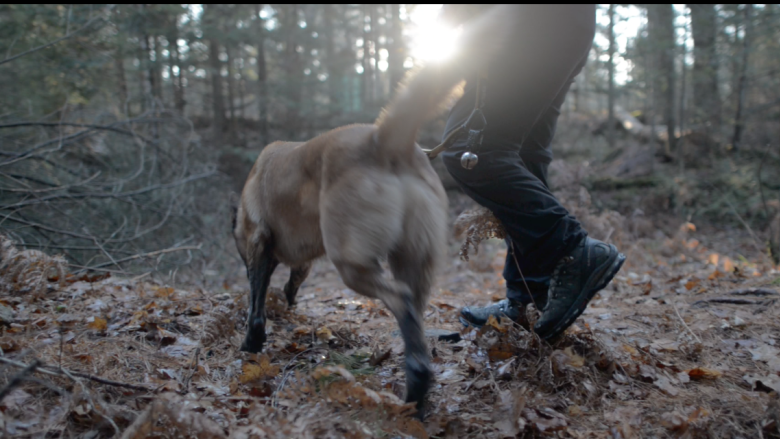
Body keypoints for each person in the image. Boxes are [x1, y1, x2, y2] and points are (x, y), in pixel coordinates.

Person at [439, 4, 625, 340]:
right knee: (522, 153)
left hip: (525, 24)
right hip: (566, 24)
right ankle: (528, 297)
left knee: (473, 151)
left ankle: (571, 247)